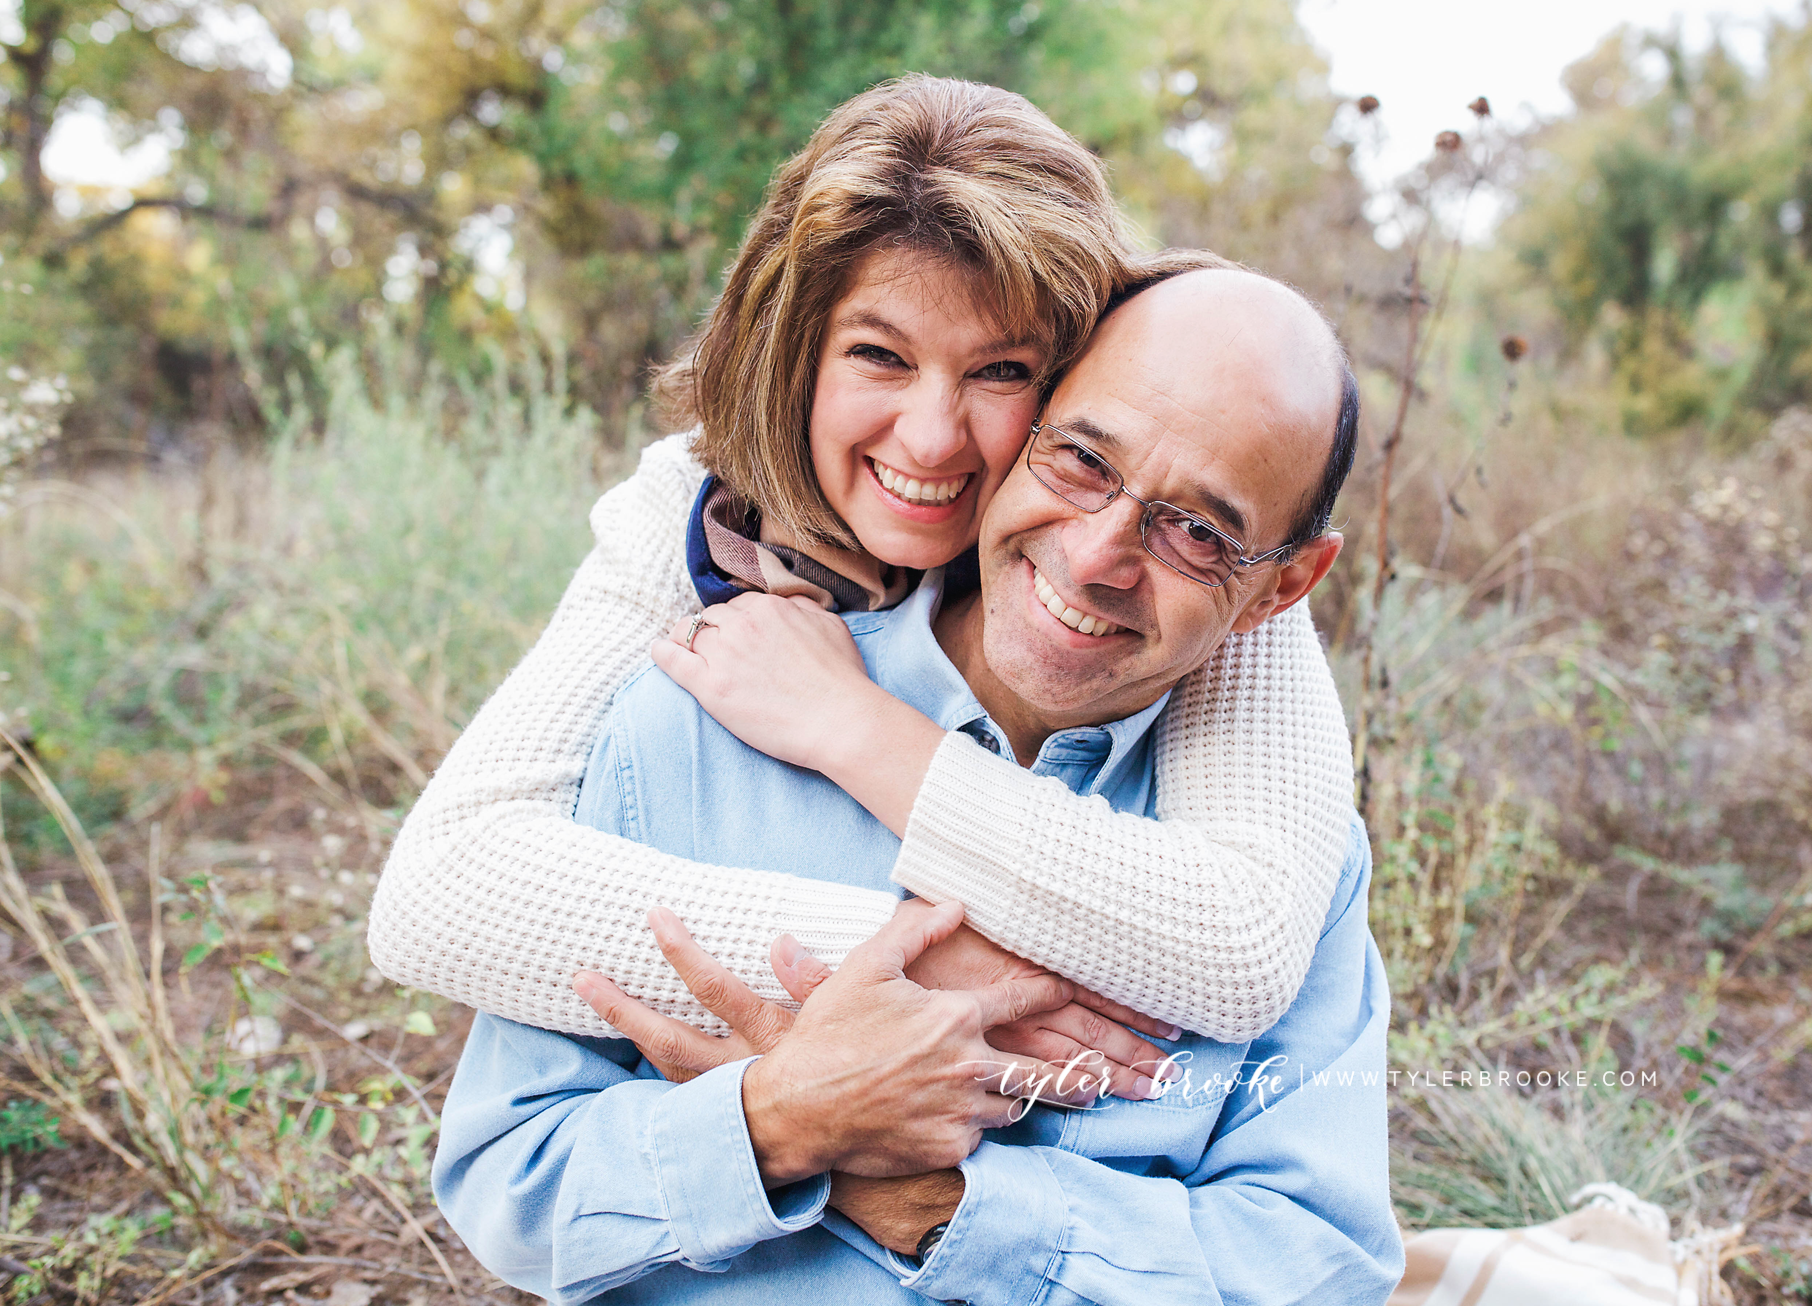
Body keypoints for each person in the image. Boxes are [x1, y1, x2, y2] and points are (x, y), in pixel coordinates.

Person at [435, 266, 1403, 1304]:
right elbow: (506, 1178)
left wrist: (936, 1201)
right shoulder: (692, 719)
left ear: (1284, 584)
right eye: (1081, 460)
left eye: (1197, 533)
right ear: (1026, 427)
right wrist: (777, 1122)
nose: (1092, 558)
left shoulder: (1287, 862)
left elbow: (1318, 1268)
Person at [366, 76, 1360, 1055]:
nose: (929, 441)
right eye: (878, 356)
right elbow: (441, 893)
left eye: (1001, 371)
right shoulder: (693, 514)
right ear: (795, 351)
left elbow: (1239, 945)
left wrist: (853, 727)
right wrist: (917, 971)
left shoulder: (1176, 563)